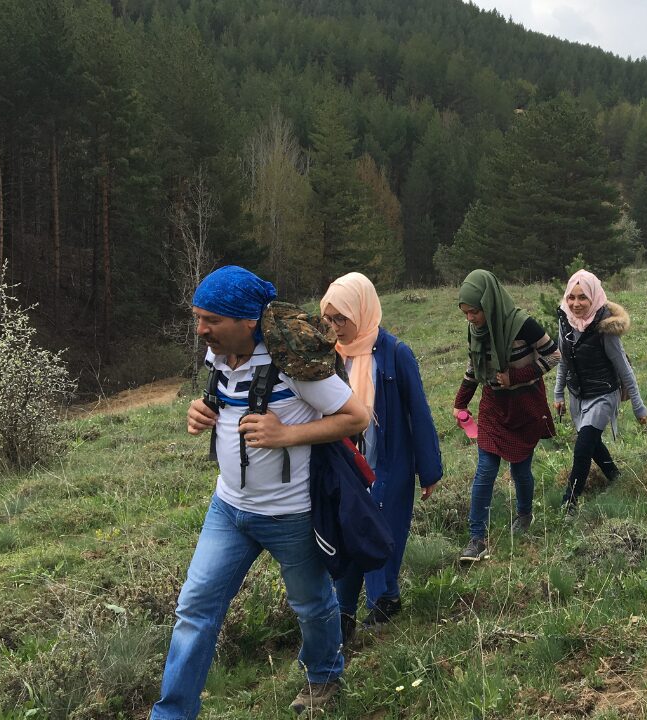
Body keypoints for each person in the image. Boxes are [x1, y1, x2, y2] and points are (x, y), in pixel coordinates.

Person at [152, 266, 369, 719]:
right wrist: (201, 411)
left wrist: (286, 435)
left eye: (210, 319)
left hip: (289, 515)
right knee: (194, 609)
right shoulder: (218, 357)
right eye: (197, 317)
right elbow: (225, 401)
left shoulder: (294, 365)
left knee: (310, 606)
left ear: (246, 321)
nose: (200, 330)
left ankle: (324, 676)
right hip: (228, 509)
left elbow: (356, 417)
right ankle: (172, 713)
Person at [323, 273, 442, 645]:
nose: (334, 328)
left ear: (362, 310)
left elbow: (418, 413)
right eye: (327, 319)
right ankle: (343, 614)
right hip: (346, 469)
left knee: (382, 535)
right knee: (345, 534)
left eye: (340, 318)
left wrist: (429, 470)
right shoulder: (327, 360)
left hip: (389, 465)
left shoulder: (394, 353)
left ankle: (384, 601)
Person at [453, 269, 558, 562]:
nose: (470, 318)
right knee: (485, 470)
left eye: (475, 311)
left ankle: (525, 515)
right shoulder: (475, 331)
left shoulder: (523, 325)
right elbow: (475, 367)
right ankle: (477, 539)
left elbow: (554, 355)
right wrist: (460, 402)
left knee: (520, 470)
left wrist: (517, 376)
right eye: (466, 313)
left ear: (490, 303)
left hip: (524, 406)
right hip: (493, 407)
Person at [552, 270, 647, 514]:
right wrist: (558, 394)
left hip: (604, 393)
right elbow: (563, 360)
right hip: (577, 394)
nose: (576, 303)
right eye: (571, 297)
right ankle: (616, 477)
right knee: (591, 442)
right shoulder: (565, 321)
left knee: (583, 446)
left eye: (583, 297)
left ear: (593, 297)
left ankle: (569, 502)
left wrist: (639, 407)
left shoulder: (605, 327)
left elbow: (624, 369)